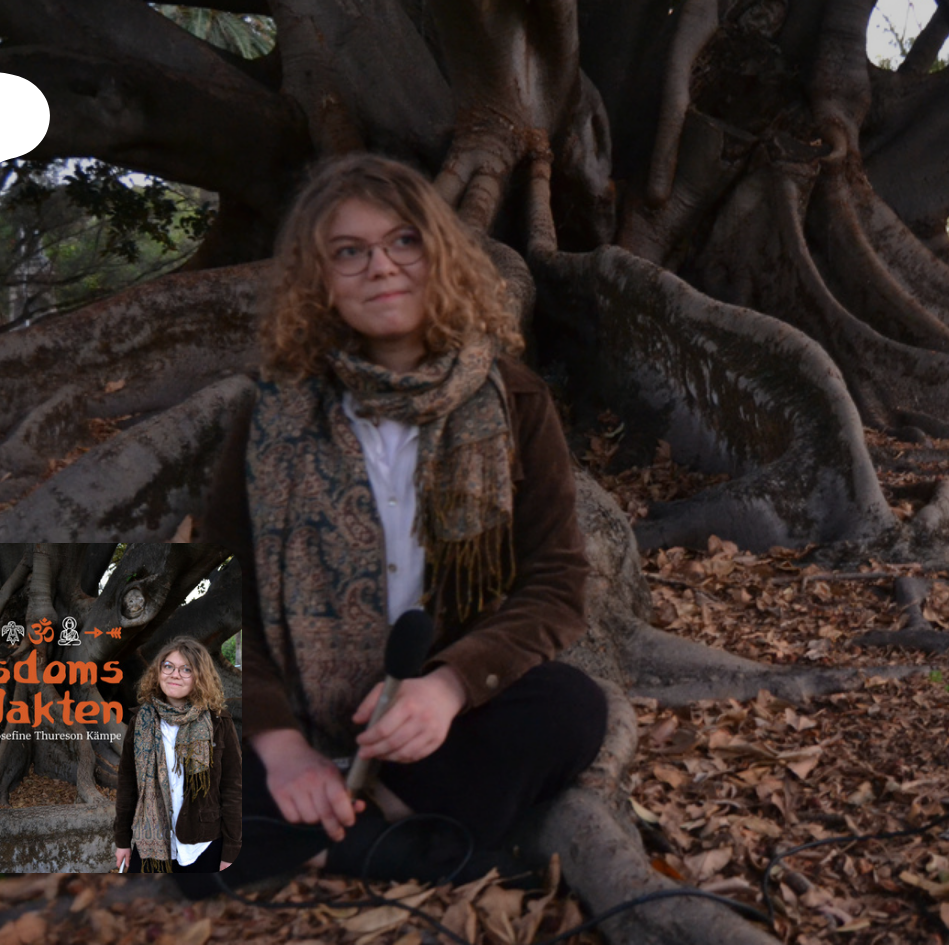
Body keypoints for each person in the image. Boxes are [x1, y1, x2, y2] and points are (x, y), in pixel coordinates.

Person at [200, 152, 607, 887]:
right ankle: (400, 844)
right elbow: (214, 595)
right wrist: (279, 744)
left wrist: (448, 688)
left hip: (439, 728)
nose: (381, 266)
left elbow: (557, 581)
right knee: (157, 753)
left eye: (403, 241)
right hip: (295, 713)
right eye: (348, 252)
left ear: (441, 253)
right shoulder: (269, 414)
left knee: (569, 709)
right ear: (318, 280)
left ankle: (337, 831)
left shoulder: (514, 399)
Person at [114, 637, 243, 873]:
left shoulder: (219, 722)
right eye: (168, 666)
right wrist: (122, 840)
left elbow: (233, 788)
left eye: (186, 669)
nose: (175, 674)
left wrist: (232, 850)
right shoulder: (141, 722)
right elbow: (127, 785)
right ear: (158, 672)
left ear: (200, 677)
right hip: (151, 842)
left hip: (204, 844)